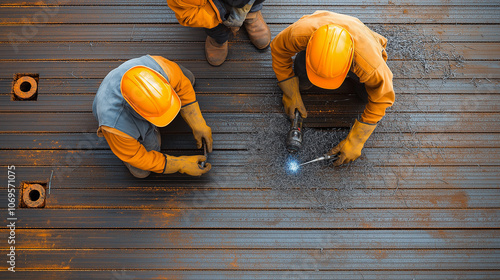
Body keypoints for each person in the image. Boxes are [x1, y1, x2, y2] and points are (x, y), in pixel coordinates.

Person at [271, 10, 395, 166]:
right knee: (301, 81)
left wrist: (356, 140)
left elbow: (383, 98)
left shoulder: (371, 65)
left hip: (361, 48)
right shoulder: (298, 34)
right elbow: (278, 50)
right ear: (308, 47)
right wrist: (291, 92)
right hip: (317, 41)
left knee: (366, 96)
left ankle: (347, 72)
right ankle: (306, 71)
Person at [92, 55, 213, 178]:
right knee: (142, 170)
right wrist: (180, 165)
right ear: (140, 114)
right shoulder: (115, 127)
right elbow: (136, 156)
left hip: (137, 75)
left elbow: (182, 84)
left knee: (183, 78)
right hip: (111, 109)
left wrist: (198, 123)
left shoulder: (159, 68)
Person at [167, 0, 271, 66]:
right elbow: (187, 14)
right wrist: (220, 18)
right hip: (210, 11)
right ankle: (219, 38)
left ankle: (251, 14)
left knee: (252, 3)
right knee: (215, 29)